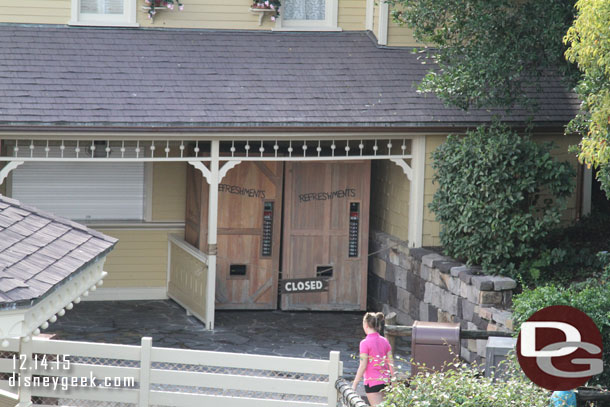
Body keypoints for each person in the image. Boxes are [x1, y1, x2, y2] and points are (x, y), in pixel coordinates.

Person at [352, 312, 394, 406]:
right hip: (386, 382)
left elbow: (363, 365)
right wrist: (394, 381)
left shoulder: (364, 343)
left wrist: (354, 385)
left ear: (365, 324)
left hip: (372, 382)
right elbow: (391, 363)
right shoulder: (385, 341)